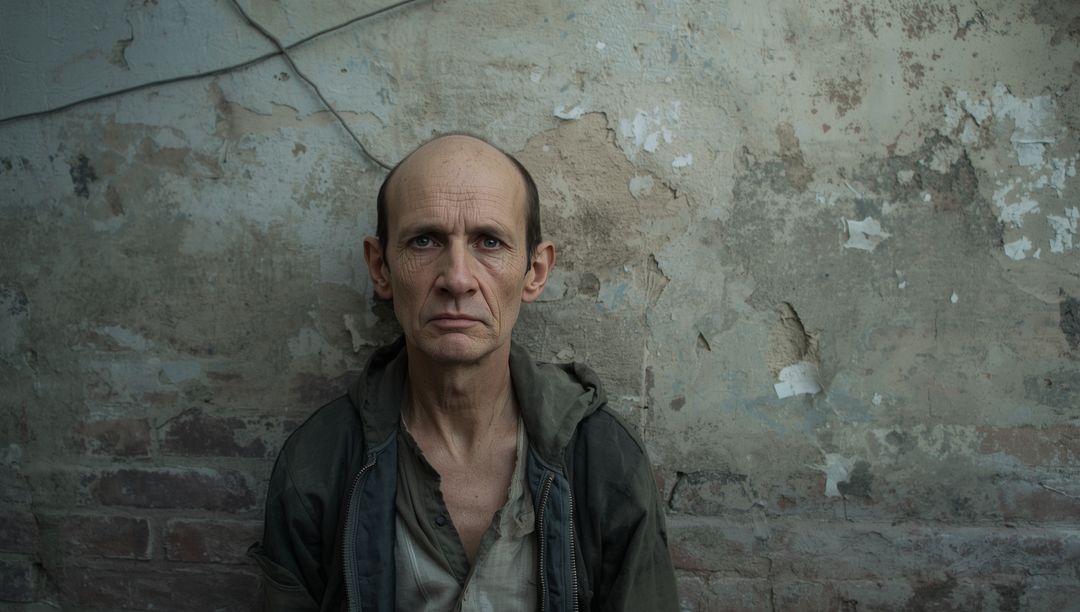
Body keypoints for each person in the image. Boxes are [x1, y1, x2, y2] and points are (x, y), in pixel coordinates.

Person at [250, 134, 678, 611]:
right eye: (425, 240)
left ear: (535, 271)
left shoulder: (603, 461)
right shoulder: (320, 463)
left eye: (489, 242)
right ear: (381, 267)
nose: (457, 278)